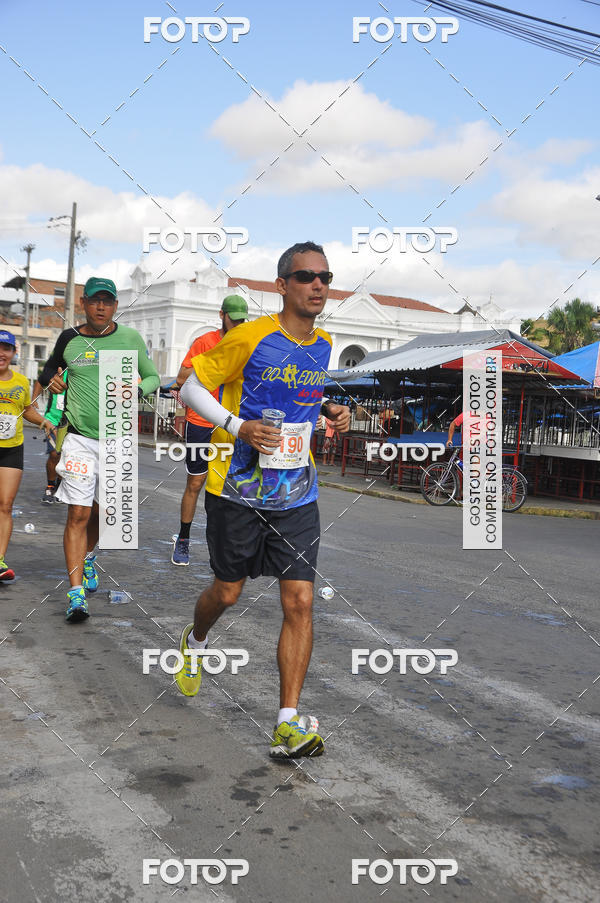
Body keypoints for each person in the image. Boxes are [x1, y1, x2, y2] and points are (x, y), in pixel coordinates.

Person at [177, 241, 350, 759]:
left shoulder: (324, 345)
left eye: (325, 276)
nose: (318, 285)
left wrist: (331, 415)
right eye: (306, 276)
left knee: (299, 600)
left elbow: (301, 402)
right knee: (226, 593)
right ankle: (197, 638)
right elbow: (190, 388)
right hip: (236, 489)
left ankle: (287, 722)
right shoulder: (250, 338)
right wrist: (236, 425)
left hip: (297, 492)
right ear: (282, 285)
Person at [38, 277, 160, 622]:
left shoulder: (130, 339)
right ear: (83, 303)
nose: (101, 307)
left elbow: (153, 377)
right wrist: (53, 379)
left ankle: (89, 556)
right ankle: (76, 594)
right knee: (77, 513)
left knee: (102, 513)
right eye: (95, 301)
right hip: (78, 437)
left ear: (116, 306)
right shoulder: (70, 338)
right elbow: (48, 369)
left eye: (107, 301)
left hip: (117, 439)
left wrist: (138, 387)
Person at [171, 295, 248, 566]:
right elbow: (181, 378)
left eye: (242, 320)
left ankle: (227, 545)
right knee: (196, 482)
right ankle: (183, 539)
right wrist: (215, 372)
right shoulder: (205, 342)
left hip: (233, 424)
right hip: (202, 422)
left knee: (234, 486)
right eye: (233, 319)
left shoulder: (246, 345)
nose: (237, 325)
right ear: (222, 315)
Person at [0, 330, 54, 580]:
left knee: (6, 505)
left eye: (6, 349)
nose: (2, 353)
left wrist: (44, 422)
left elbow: (27, 411)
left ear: (13, 353)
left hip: (12, 448)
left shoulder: (22, 382)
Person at [39, 369, 67, 503]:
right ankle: (50, 486)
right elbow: (41, 380)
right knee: (54, 454)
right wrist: (34, 399)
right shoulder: (55, 371)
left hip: (71, 422)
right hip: (52, 420)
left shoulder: (78, 371)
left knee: (66, 456)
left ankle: (60, 486)